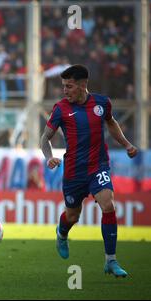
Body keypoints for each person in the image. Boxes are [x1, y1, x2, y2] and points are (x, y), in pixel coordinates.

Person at [40, 65, 138, 277]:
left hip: (98, 166)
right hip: (74, 171)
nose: (65, 90)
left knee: (108, 205)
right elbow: (44, 138)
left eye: (69, 86)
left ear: (83, 85)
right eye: (63, 86)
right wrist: (49, 158)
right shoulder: (61, 109)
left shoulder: (102, 104)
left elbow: (111, 124)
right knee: (73, 216)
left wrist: (127, 144)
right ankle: (62, 233)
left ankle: (110, 260)